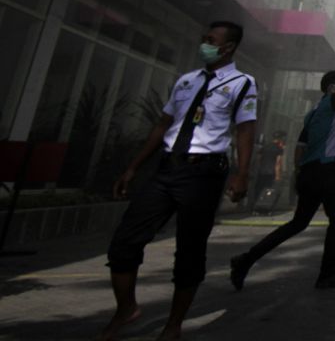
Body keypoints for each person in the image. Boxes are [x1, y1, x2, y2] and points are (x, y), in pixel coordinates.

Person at [100, 21, 256, 341]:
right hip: (167, 168)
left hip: (204, 174)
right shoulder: (186, 80)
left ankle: (173, 324)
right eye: (204, 39)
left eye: (211, 41)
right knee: (125, 242)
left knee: (189, 251)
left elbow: (245, 130)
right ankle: (126, 308)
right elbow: (163, 124)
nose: (204, 44)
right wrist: (133, 167)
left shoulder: (243, 83)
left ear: (228, 48)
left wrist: (242, 174)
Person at [230, 51, 335, 290]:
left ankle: (246, 259)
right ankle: (327, 274)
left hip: (310, 174)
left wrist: (298, 173)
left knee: (297, 224)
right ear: (332, 88)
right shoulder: (334, 102)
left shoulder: (314, 113)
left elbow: (300, 147)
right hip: (325, 173)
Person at [253, 131, 286, 214]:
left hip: (262, 172)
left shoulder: (265, 147)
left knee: (259, 190)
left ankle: (256, 208)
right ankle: (266, 208)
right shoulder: (279, 149)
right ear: (280, 139)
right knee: (270, 191)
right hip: (271, 173)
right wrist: (278, 176)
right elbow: (278, 163)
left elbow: (258, 160)